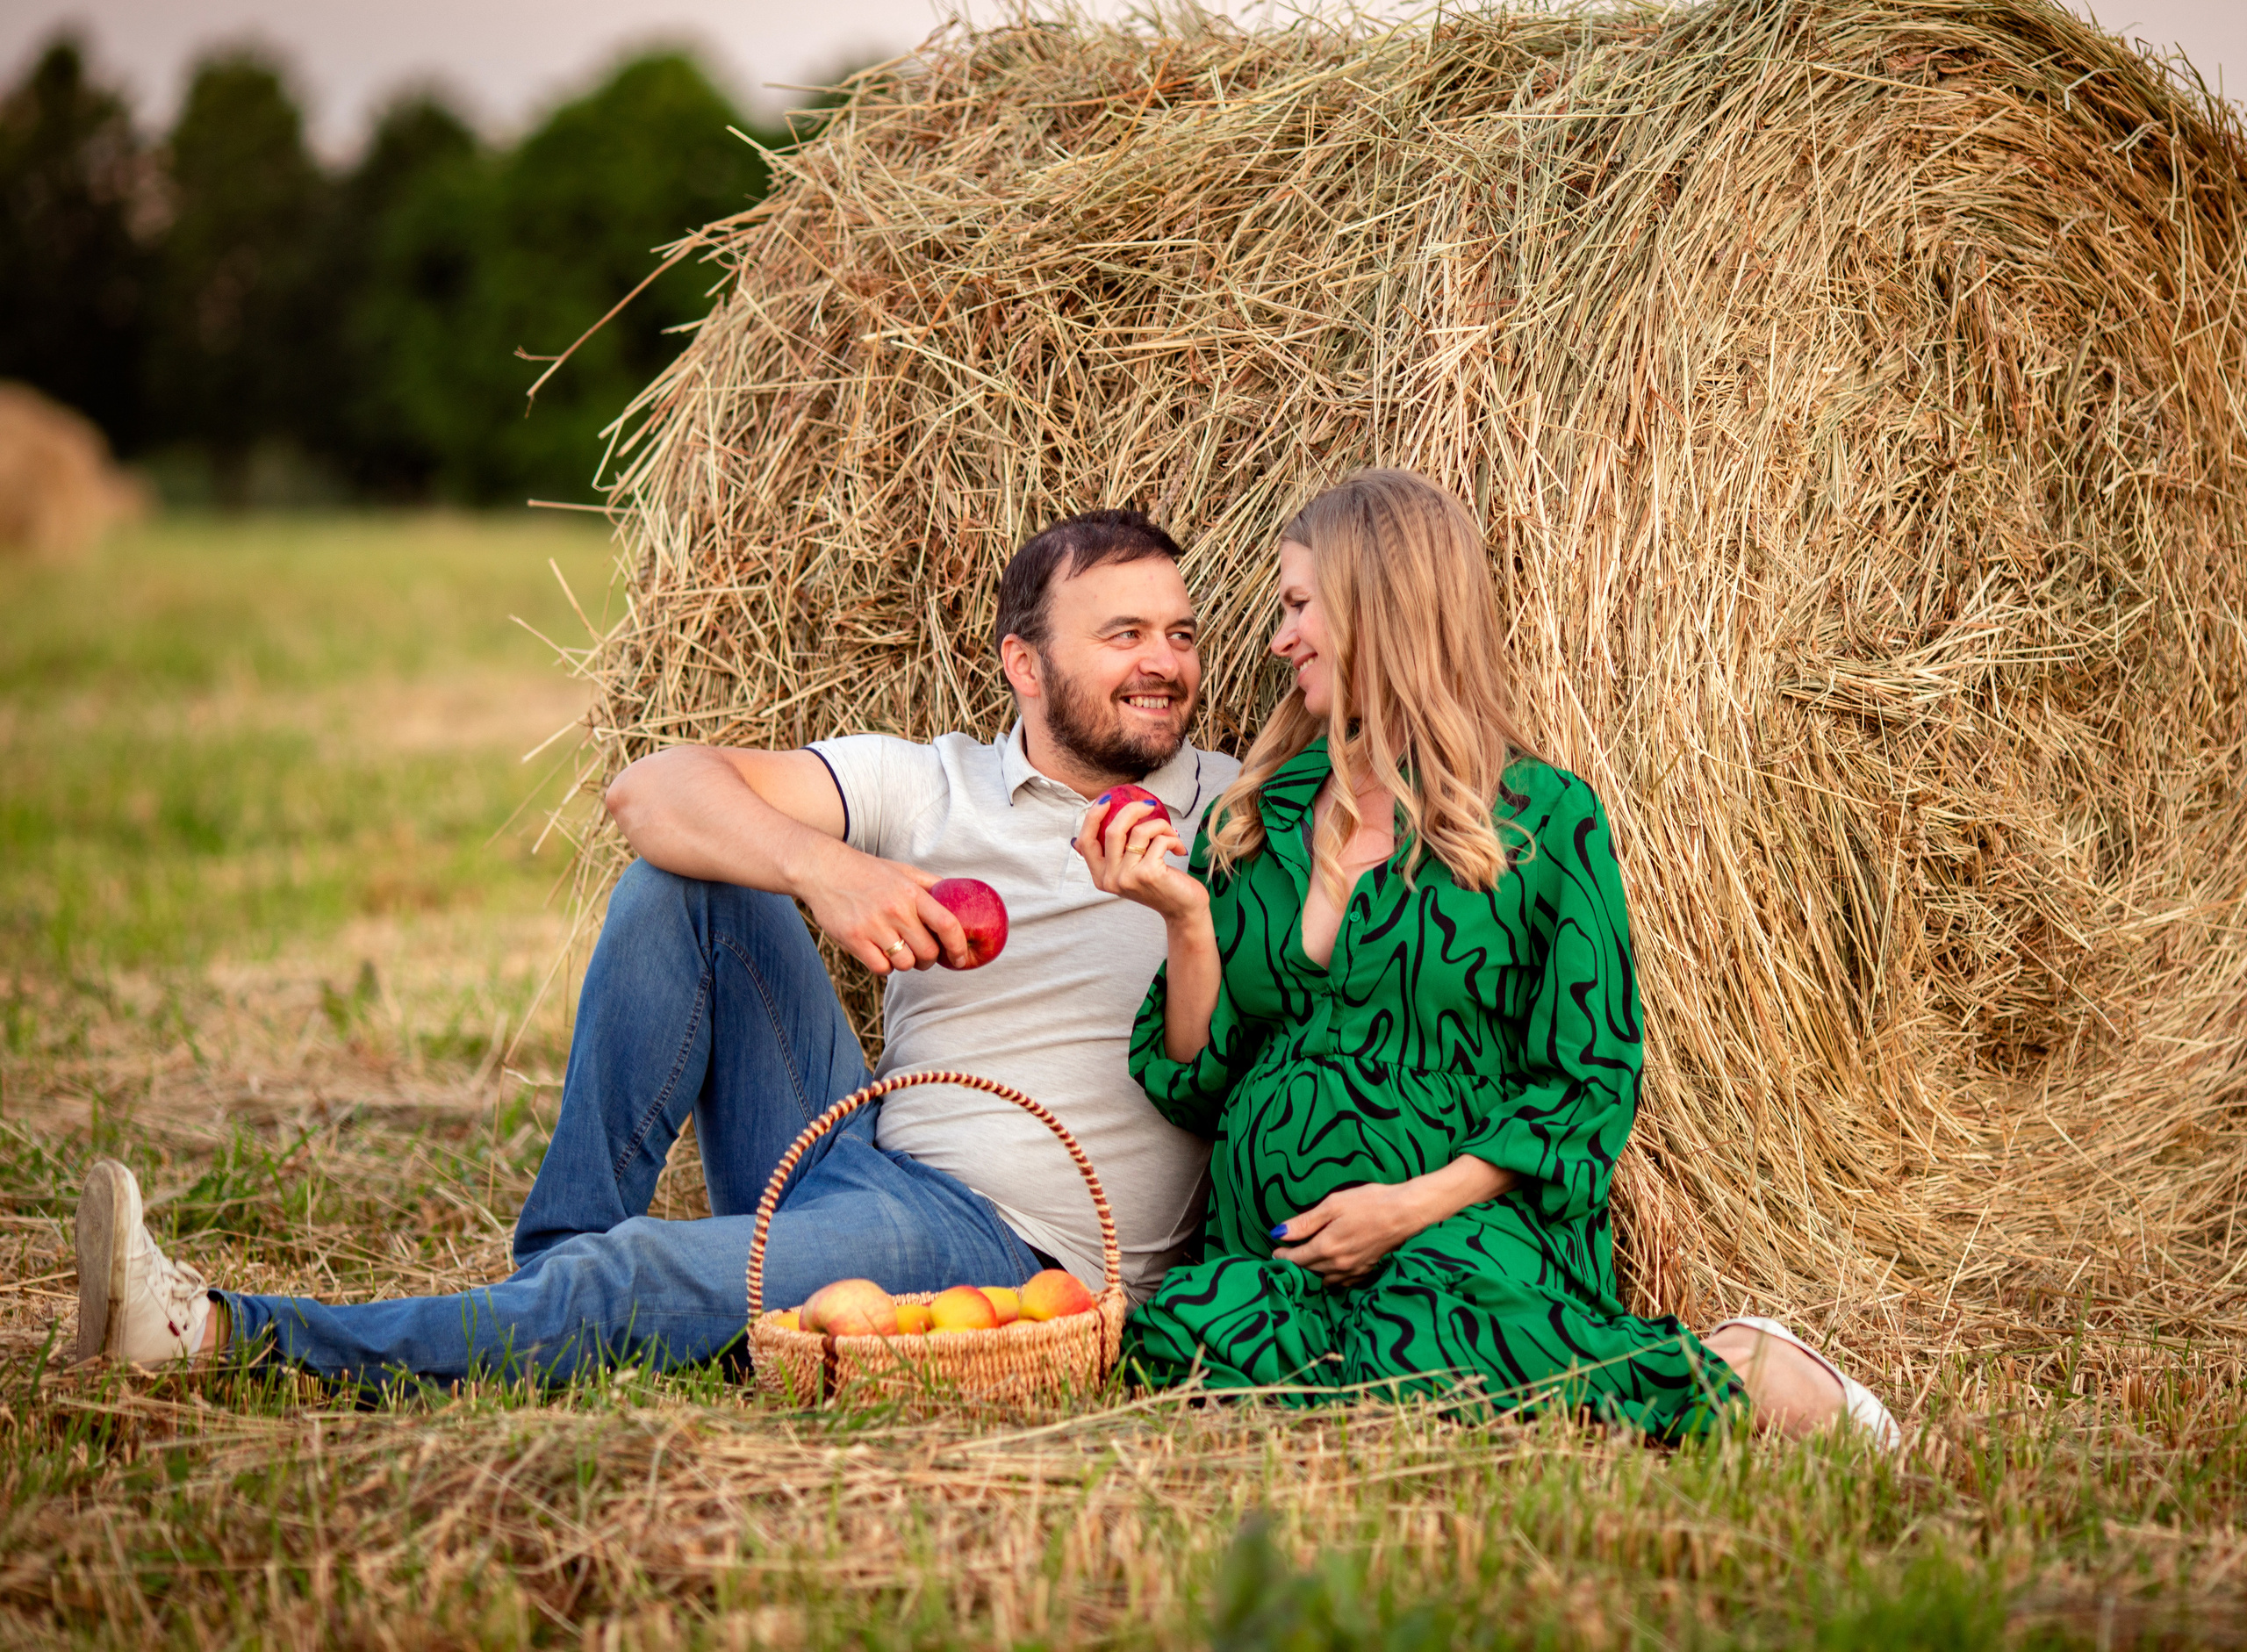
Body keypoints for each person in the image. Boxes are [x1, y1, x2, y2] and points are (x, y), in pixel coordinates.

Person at [73, 508, 1240, 1385]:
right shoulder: (933, 780)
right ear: (1023, 665)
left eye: (1180, 633)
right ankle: (556, 1278)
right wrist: (825, 868)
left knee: (642, 1278)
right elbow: (653, 788)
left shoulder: (1242, 811)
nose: (1165, 663)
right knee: (686, 879)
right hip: (862, 1149)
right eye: (1125, 633)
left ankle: (220, 1336)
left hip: (1002, 1239)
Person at [1076, 470, 1899, 1446]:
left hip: (1463, 1234)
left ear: (1378, 607)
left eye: (1299, 606)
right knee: (1180, 1340)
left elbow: (1587, 1083)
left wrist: (1404, 1207)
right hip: (1280, 1247)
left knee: (1429, 1335)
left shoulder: (1544, 820)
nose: (1277, 638)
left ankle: (1764, 1373)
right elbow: (1190, 1085)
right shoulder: (1258, 816)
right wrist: (1184, 922)